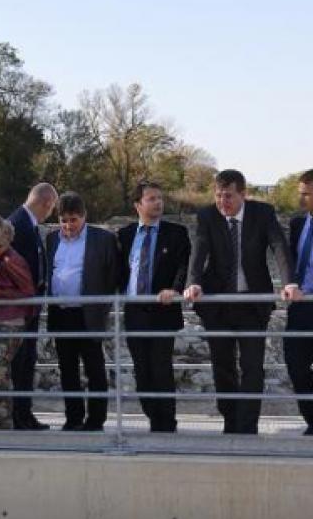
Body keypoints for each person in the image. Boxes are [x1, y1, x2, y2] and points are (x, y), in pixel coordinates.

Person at [185, 169, 293, 434]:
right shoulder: (207, 216)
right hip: (218, 306)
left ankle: (247, 427)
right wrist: (193, 281)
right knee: (223, 368)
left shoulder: (263, 214)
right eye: (219, 195)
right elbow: (199, 249)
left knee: (253, 368)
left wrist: (288, 281)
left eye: (229, 196)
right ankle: (230, 422)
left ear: (243, 194)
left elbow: (279, 246)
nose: (223, 202)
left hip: (252, 306)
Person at [118, 181, 191, 433]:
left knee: (161, 370)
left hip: (163, 311)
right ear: (138, 204)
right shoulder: (125, 234)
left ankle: (167, 424)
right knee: (142, 372)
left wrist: (176, 290)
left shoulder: (176, 233)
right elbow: (119, 272)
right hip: (135, 312)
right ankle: (153, 418)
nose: (158, 202)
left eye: (160, 198)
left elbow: (184, 267)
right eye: (151, 198)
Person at [45, 192, 120, 431]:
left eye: (73, 220)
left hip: (88, 314)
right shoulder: (51, 239)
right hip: (61, 313)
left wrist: (101, 304)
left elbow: (113, 274)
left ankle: (96, 419)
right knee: (67, 369)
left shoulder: (103, 239)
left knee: (94, 367)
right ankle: (73, 417)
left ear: (84, 216)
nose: (68, 226)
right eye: (64, 220)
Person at [7, 183, 58, 430]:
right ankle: (20, 415)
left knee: (27, 361)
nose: (51, 213)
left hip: (29, 307)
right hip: (20, 309)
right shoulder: (18, 225)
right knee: (21, 362)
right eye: (51, 208)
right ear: (45, 203)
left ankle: (24, 414)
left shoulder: (27, 223)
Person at [0, 214, 36, 430]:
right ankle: (7, 421)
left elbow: (28, 292)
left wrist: (0, 294)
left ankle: (6, 422)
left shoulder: (13, 260)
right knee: (0, 374)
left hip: (11, 322)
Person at [281, 170, 313, 435]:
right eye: (301, 193)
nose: (301, 199)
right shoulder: (298, 223)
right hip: (301, 307)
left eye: (307, 194)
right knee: (295, 363)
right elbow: (289, 261)